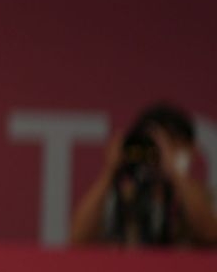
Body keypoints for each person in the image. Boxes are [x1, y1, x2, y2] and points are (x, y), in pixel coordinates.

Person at [70, 104, 217, 248]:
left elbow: (210, 235)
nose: (158, 154)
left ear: (189, 148)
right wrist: (110, 171)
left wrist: (173, 172)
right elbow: (78, 237)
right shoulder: (122, 193)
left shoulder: (200, 196)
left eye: (170, 144)